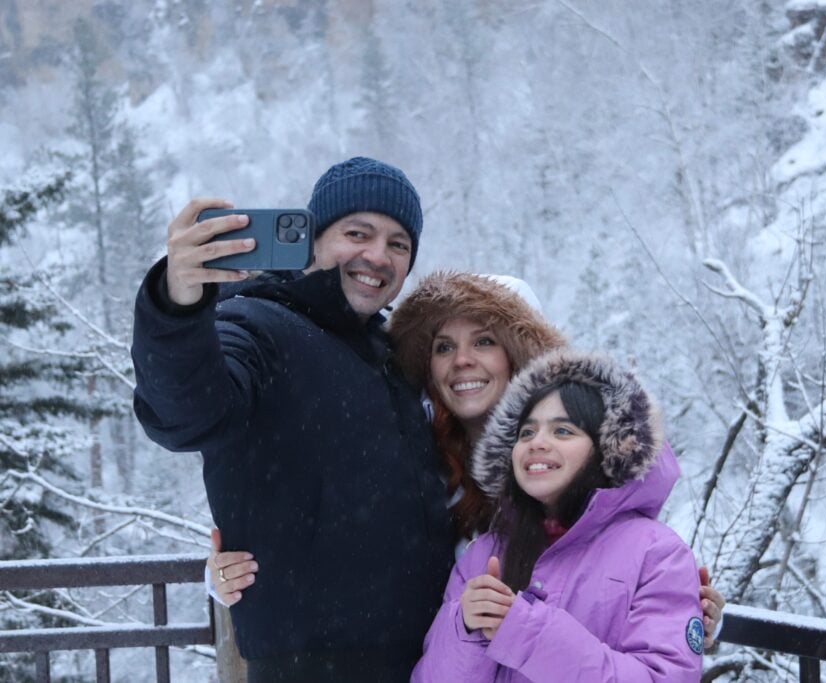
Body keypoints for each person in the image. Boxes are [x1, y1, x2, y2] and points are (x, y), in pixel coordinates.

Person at [209, 272, 727, 647]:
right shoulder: (403, 453)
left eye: (484, 341)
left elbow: (625, 557)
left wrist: (689, 615)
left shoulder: (576, 459)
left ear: (520, 352)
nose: (462, 361)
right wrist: (233, 568)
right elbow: (323, 517)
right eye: (443, 346)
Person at [131, 157, 453, 682]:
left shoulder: (396, 353)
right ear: (311, 238)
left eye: (399, 243)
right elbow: (185, 413)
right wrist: (177, 303)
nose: (378, 255)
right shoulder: (256, 323)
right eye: (358, 232)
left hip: (430, 661)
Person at [412, 348, 704, 681]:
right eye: (526, 432)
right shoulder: (484, 555)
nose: (537, 443)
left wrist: (530, 634)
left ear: (608, 449)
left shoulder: (657, 554)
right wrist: (464, 626)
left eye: (562, 431)